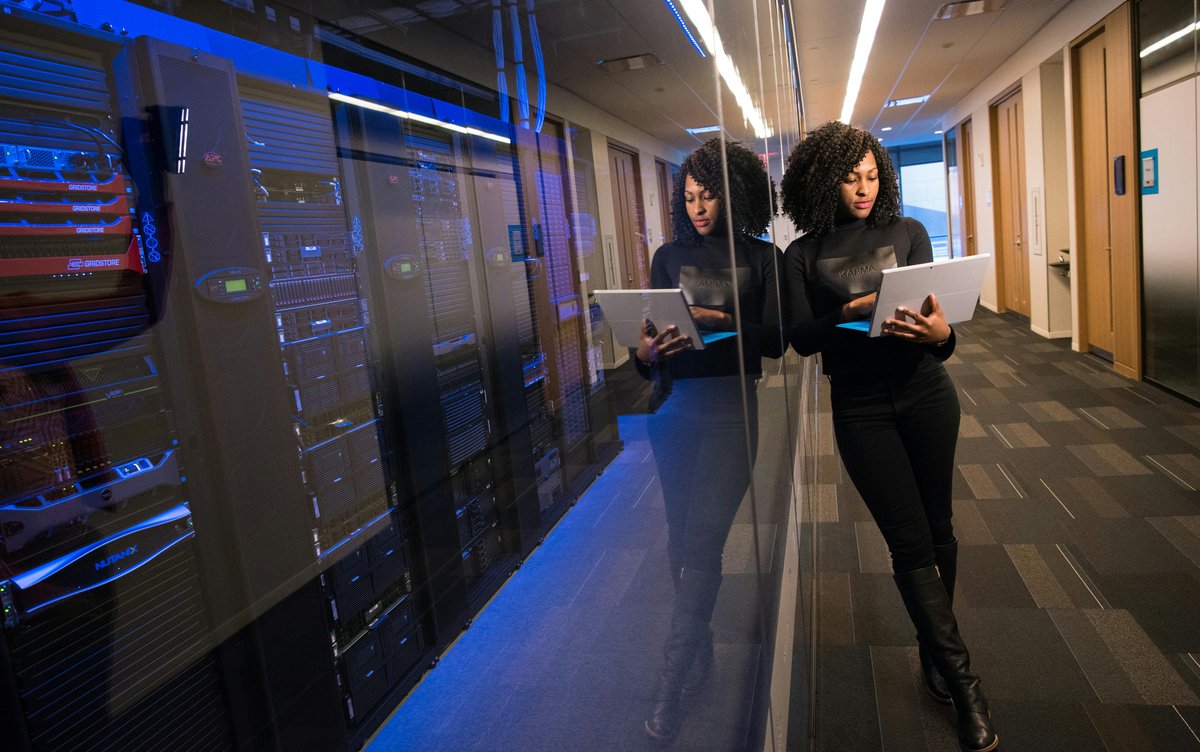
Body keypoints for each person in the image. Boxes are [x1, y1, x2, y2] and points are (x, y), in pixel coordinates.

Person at [780, 121, 998, 752]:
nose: (864, 188)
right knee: (908, 545)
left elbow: (938, 325)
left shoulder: (909, 233)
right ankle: (965, 687)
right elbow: (800, 337)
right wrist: (846, 313)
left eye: (873, 175)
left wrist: (945, 337)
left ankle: (935, 653)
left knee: (940, 530)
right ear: (825, 180)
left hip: (927, 393)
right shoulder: (803, 254)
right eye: (850, 177)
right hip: (861, 408)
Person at [634, 138, 784, 742]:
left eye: (709, 194)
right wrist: (645, 353)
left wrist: (721, 321)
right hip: (675, 411)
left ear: (734, 191)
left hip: (731, 415)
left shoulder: (761, 257)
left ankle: (670, 685)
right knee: (678, 544)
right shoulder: (667, 256)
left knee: (703, 545)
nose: (698, 207)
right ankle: (700, 652)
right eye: (690, 197)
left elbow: (776, 342)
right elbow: (646, 356)